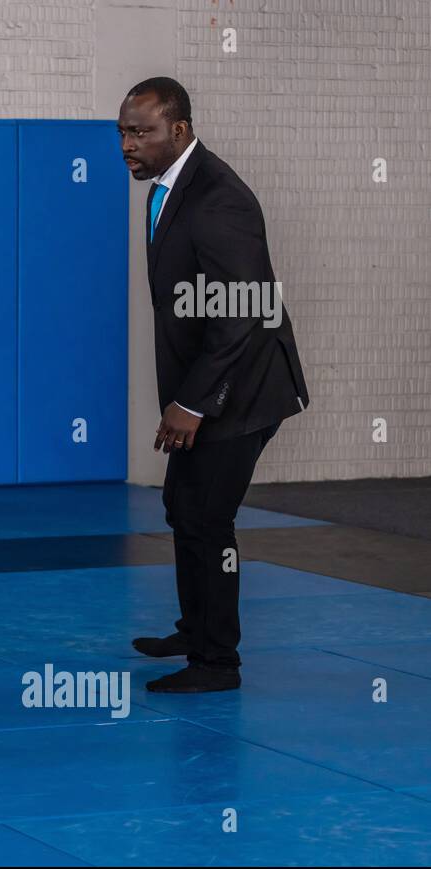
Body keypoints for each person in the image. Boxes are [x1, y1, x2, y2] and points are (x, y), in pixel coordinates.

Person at [119, 77, 309, 692]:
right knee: (182, 507)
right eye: (122, 132)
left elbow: (245, 311)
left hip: (243, 389)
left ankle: (216, 662)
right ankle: (194, 628)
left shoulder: (219, 198)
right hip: (206, 384)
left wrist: (193, 404)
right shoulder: (169, 187)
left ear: (178, 130)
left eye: (141, 132)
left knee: (206, 517)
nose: (128, 144)